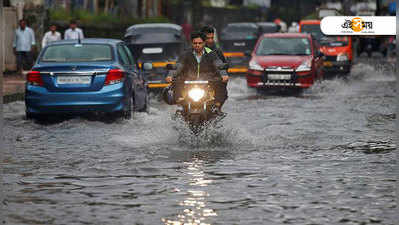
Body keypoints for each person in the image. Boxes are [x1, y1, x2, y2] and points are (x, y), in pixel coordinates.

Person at [165, 31, 228, 113]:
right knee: (177, 82)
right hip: (189, 82)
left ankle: (217, 106)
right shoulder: (185, 54)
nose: (197, 45)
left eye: (200, 43)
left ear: (204, 43)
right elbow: (178, 66)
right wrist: (170, 75)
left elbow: (219, 64)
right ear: (192, 43)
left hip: (208, 82)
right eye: (195, 43)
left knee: (221, 84)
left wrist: (223, 74)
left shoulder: (211, 54)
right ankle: (180, 105)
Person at [200, 25, 229, 109]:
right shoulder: (191, 50)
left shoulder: (216, 51)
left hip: (212, 80)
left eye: (212, 38)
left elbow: (223, 65)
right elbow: (182, 63)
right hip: (195, 81)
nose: (210, 40)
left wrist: (222, 74)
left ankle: (217, 107)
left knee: (221, 88)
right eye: (207, 38)